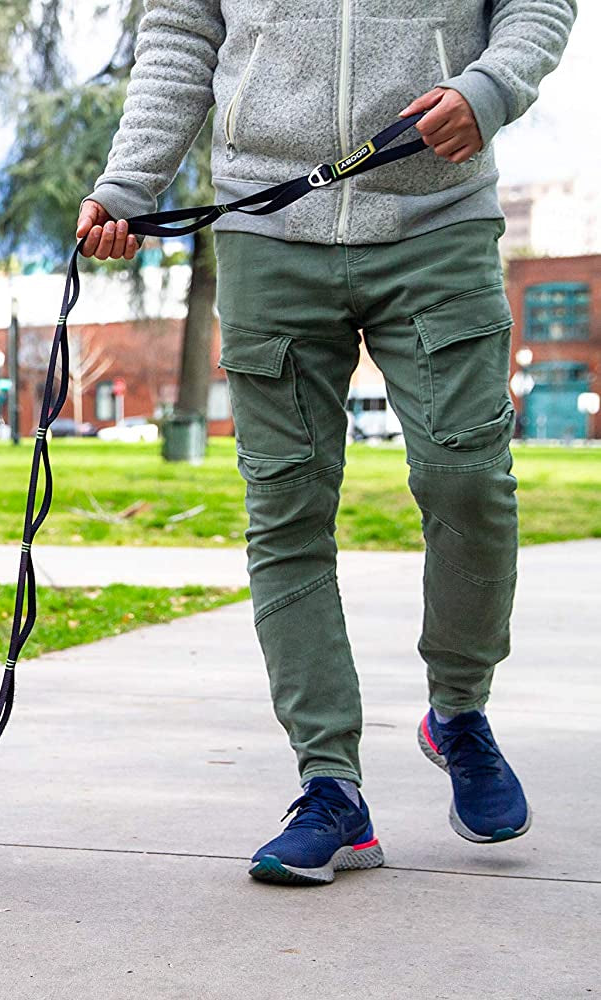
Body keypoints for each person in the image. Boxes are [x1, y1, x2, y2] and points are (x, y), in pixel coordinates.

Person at [77, 0, 574, 886]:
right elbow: (182, 34)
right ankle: (330, 787)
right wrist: (129, 183)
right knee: (288, 509)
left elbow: (537, 5)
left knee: (468, 481)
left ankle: (458, 710)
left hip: (438, 217)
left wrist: (490, 88)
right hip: (269, 231)